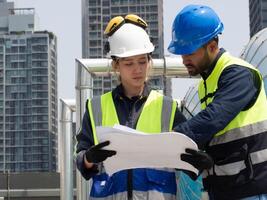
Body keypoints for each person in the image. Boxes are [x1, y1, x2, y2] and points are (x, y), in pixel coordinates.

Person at [76, 14, 211, 200]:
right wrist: (89, 158)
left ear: (150, 62)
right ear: (116, 65)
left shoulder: (168, 108)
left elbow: (186, 157)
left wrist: (199, 160)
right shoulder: (96, 107)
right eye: (129, 63)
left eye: (142, 61)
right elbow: (82, 162)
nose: (137, 69)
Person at [168, 4, 267, 200]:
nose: (184, 60)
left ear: (212, 46)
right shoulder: (208, 82)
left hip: (252, 189)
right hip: (227, 189)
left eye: (189, 52)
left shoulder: (239, 74)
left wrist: (170, 140)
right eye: (182, 53)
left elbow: (214, 118)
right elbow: (224, 136)